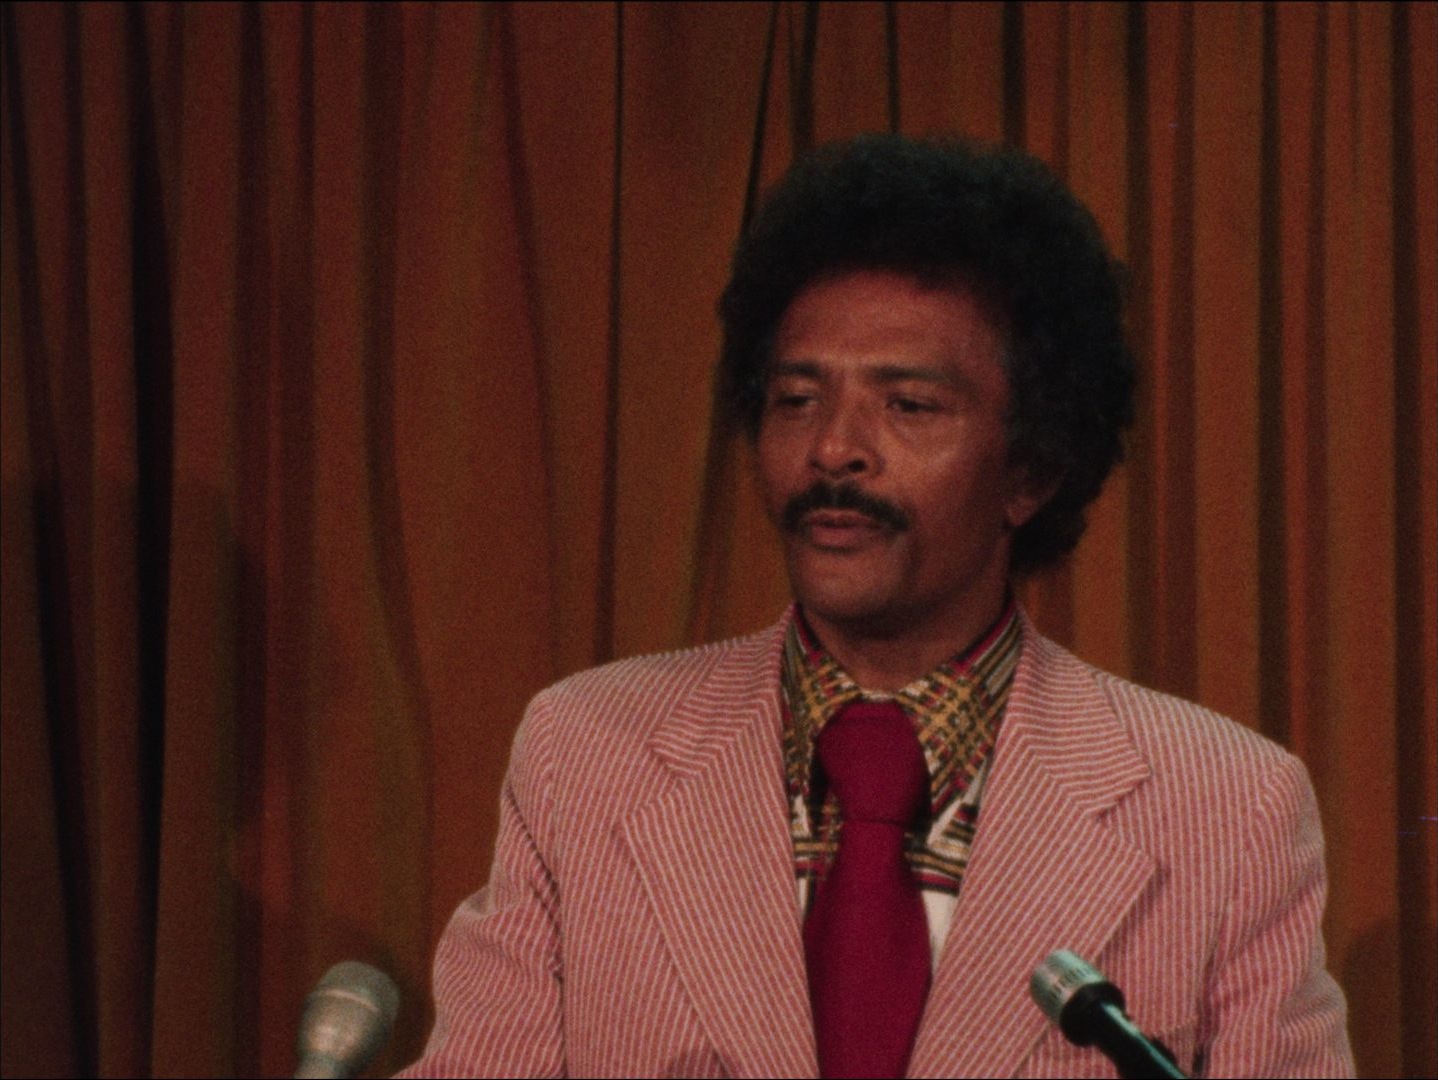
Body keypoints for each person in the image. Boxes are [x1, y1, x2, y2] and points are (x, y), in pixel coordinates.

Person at [399, 135, 1353, 1078]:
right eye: (796, 399)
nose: (833, 449)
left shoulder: (1227, 807)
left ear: (1032, 468)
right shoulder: (585, 752)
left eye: (909, 406)